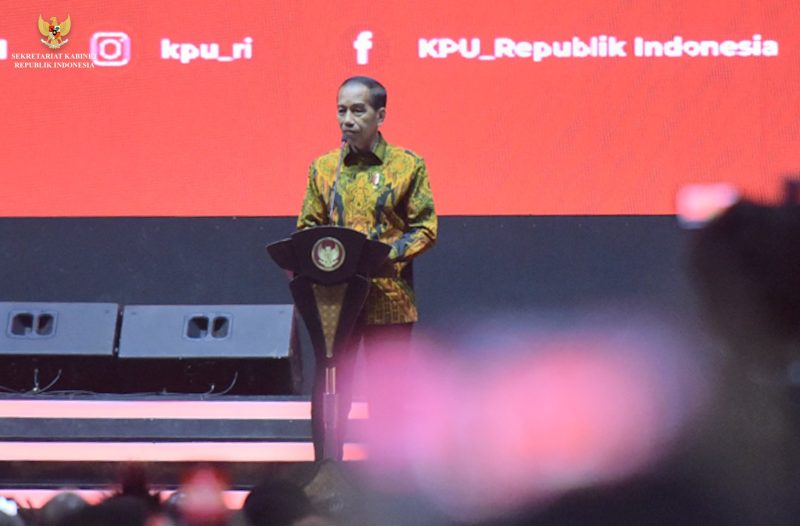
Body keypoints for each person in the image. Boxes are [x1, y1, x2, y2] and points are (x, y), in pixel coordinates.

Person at [297, 76, 437, 460]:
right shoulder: (325, 168)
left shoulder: (408, 165)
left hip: (389, 299)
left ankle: (388, 483)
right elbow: (307, 228)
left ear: (381, 115)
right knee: (332, 385)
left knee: (387, 396)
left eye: (358, 110)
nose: (347, 119)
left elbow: (425, 226)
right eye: (341, 110)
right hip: (335, 302)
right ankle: (325, 470)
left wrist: (386, 257)